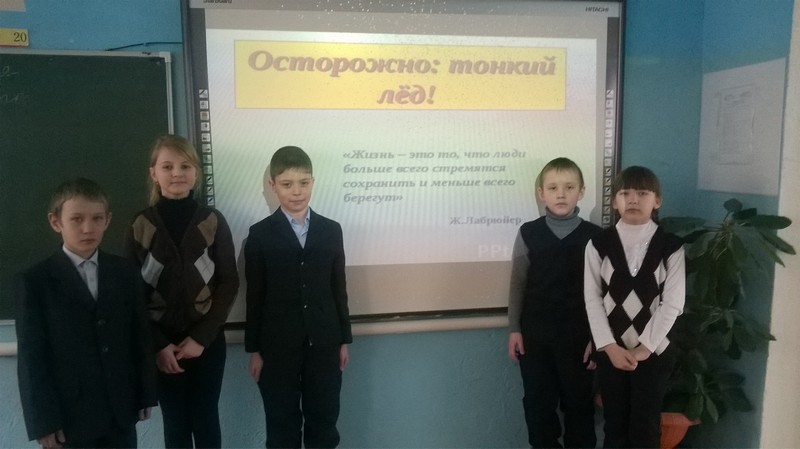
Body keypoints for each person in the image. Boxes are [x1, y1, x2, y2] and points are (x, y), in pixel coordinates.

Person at [15, 177, 157, 449]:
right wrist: (43, 421)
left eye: (97, 218)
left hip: (120, 411)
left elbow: (139, 336)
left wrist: (145, 392)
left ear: (108, 220)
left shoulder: (125, 272)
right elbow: (32, 358)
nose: (88, 228)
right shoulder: (35, 282)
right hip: (69, 420)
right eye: (77, 219)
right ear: (56, 222)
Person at [125, 134, 239, 449]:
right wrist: (159, 345)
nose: (177, 173)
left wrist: (201, 338)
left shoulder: (213, 221)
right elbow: (131, 294)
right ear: (153, 173)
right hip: (162, 346)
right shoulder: (140, 225)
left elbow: (229, 281)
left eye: (185, 166)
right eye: (167, 166)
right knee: (175, 423)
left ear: (196, 173)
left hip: (206, 343)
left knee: (206, 419)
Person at [244, 145, 352, 449]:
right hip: (277, 347)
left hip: (325, 343)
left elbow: (338, 288)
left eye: (304, 183)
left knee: (324, 422)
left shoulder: (331, 230)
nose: (296, 192)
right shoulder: (259, 234)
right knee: (282, 426)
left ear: (313, 182)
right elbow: (255, 296)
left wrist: (343, 339)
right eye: (287, 184)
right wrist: (255, 349)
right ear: (272, 185)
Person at [584, 166, 685, 448]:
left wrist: (644, 348)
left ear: (657, 200)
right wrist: (609, 347)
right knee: (614, 426)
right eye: (625, 193)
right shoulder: (598, 244)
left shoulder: (671, 246)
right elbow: (592, 298)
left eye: (642, 193)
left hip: (654, 351)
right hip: (611, 351)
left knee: (646, 427)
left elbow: (673, 303)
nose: (633, 199)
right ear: (614, 201)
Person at [507, 157, 601, 448]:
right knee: (538, 405)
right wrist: (514, 329)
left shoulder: (595, 237)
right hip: (535, 337)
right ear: (541, 193)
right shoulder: (528, 233)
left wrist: (597, 338)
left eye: (569, 187)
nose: (561, 194)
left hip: (579, 338)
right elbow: (518, 283)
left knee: (579, 405)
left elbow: (603, 293)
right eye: (553, 187)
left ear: (581, 192)